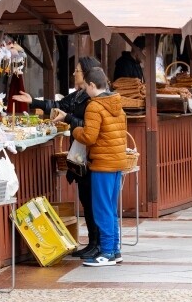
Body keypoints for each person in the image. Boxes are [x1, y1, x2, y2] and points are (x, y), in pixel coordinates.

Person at [12, 56, 101, 260]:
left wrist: (68, 119)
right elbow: (60, 105)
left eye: (76, 70)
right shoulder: (79, 95)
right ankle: (93, 242)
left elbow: (87, 126)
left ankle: (99, 244)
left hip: (90, 156)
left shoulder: (92, 99)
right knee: (86, 201)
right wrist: (33, 101)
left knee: (93, 201)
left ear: (86, 74)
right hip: (79, 155)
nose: (73, 73)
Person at [73, 67, 127, 267]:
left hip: (102, 164)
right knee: (110, 208)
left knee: (101, 209)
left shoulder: (94, 106)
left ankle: (106, 253)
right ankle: (115, 249)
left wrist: (76, 129)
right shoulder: (117, 104)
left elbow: (89, 136)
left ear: (93, 85)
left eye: (85, 86)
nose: (84, 90)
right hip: (117, 162)